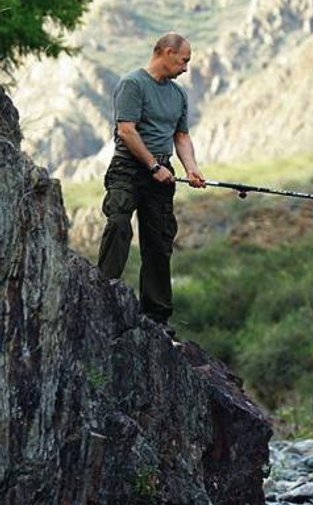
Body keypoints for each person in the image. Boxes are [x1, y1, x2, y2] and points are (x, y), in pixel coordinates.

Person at [97, 32, 206, 335]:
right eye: (184, 60)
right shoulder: (133, 84)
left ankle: (156, 318)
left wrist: (192, 169)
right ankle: (100, 299)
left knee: (159, 242)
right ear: (167, 52)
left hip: (161, 172)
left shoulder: (178, 95)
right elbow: (127, 131)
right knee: (118, 225)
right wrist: (152, 165)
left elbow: (181, 136)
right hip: (128, 168)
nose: (186, 67)